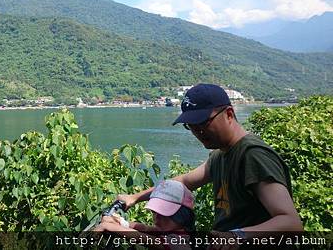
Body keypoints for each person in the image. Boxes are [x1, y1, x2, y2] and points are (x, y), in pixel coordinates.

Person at [117, 84, 303, 239]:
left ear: (229, 114)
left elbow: (291, 222)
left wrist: (236, 236)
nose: (198, 131)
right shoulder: (220, 155)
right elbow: (182, 182)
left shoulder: (252, 155)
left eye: (203, 122)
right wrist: (134, 197)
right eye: (191, 126)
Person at [94, 180, 195, 250]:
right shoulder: (169, 230)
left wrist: (107, 225)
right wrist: (120, 222)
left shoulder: (179, 242)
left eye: (164, 214)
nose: (157, 219)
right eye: (154, 213)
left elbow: (140, 237)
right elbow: (145, 228)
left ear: (182, 216)